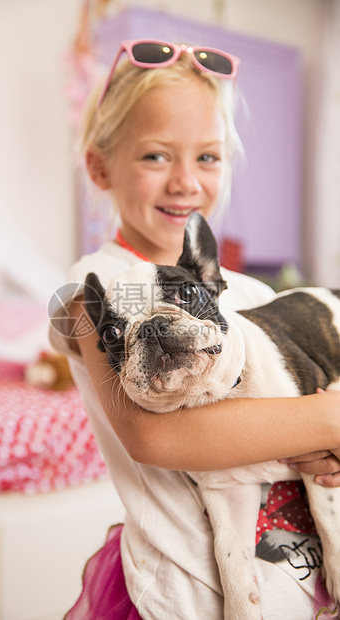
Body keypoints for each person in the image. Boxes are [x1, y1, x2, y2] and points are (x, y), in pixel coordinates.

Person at [50, 40, 340, 619]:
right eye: (156, 156)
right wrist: (326, 420)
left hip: (308, 582)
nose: (185, 181)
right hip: (189, 592)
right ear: (101, 166)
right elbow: (158, 437)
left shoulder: (252, 293)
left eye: (207, 157)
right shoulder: (97, 287)